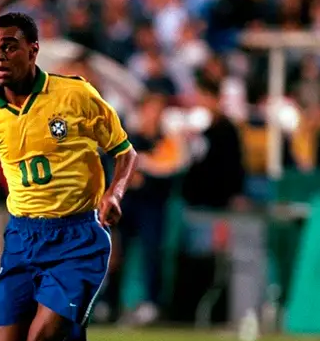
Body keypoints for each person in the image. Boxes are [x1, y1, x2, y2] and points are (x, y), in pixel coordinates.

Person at [0, 12, 137, 341]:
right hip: (23, 237)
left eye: (9, 46)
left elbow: (124, 152)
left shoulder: (76, 95)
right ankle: (73, 323)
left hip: (78, 237)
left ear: (33, 50)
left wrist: (114, 193)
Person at [101, 93, 187, 326]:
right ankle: (108, 303)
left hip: (153, 207)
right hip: (127, 205)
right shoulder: (130, 138)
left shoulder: (167, 142)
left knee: (152, 253)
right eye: (151, 109)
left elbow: (169, 169)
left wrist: (145, 168)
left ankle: (152, 303)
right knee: (116, 254)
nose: (154, 115)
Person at [181, 75, 246, 210]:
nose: (200, 102)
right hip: (194, 197)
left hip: (219, 198)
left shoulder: (227, 129)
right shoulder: (191, 127)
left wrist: (236, 193)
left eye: (203, 97)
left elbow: (234, 164)